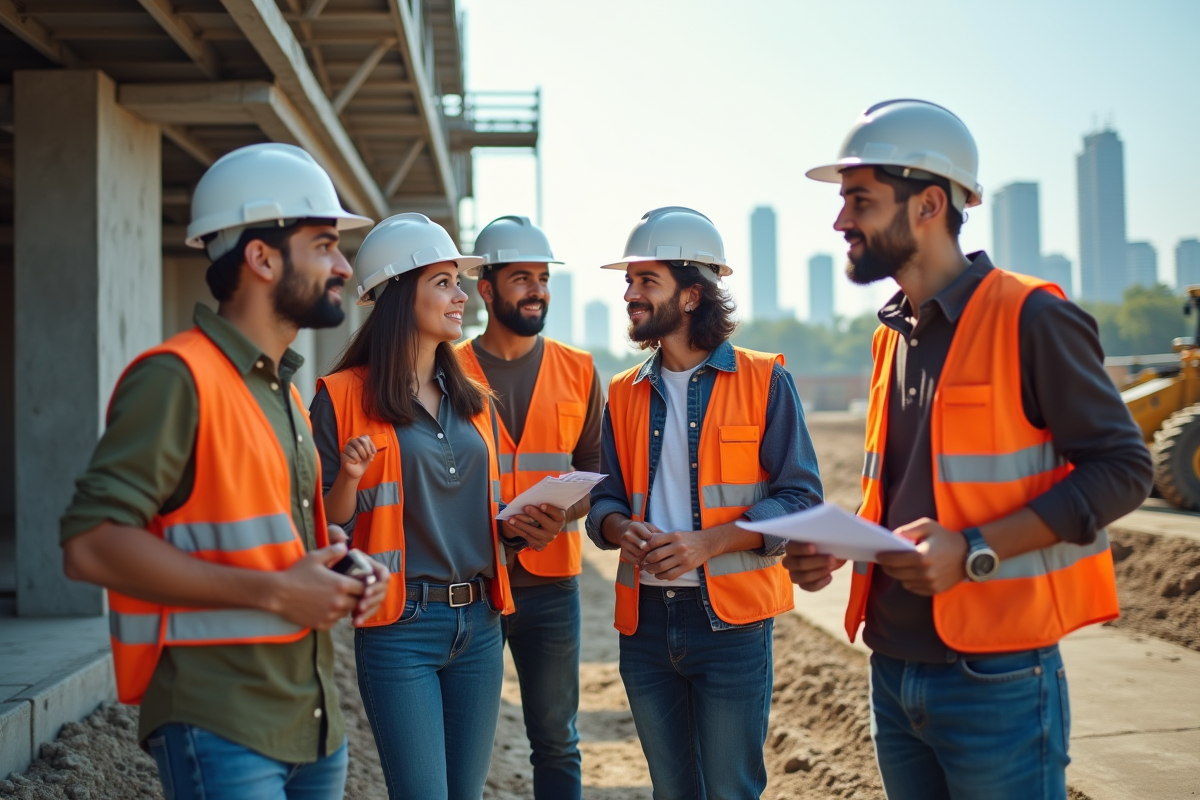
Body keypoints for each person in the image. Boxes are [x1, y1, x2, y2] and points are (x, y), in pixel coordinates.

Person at [785, 99, 1154, 800]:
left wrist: (976, 547)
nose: (840, 222)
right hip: (891, 666)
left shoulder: (1032, 317)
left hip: (997, 678)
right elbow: (916, 494)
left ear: (928, 203)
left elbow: (1125, 469)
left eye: (858, 201)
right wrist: (844, 545)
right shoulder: (890, 334)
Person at [59, 143, 389, 800]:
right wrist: (274, 593)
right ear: (261, 257)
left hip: (312, 722)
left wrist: (345, 572)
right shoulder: (176, 379)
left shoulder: (285, 396)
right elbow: (89, 544)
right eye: (324, 244)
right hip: (220, 721)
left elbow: (271, 546)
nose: (344, 266)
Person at [308, 213, 567, 800]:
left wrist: (528, 527)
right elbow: (324, 526)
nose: (460, 297)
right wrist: (348, 478)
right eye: (444, 283)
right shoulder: (342, 397)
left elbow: (490, 514)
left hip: (479, 624)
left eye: (457, 282)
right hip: (400, 628)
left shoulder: (475, 401)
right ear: (401, 294)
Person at [586, 207, 823, 799]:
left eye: (646, 282)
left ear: (691, 296)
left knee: (730, 789)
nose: (630, 295)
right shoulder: (623, 392)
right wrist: (619, 529)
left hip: (732, 626)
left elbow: (801, 498)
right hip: (643, 623)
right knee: (674, 792)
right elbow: (605, 498)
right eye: (629, 282)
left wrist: (708, 543)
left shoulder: (765, 380)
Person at [455, 216, 603, 800]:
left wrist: (561, 514)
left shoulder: (579, 369)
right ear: (486, 289)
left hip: (550, 587)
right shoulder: (444, 367)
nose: (537, 289)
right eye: (521, 278)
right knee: (465, 738)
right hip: (470, 579)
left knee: (557, 739)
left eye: (542, 277)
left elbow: (595, 474)